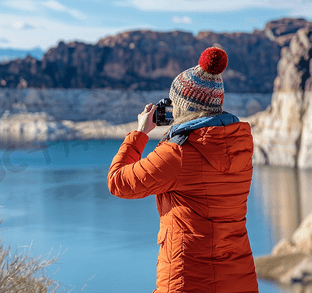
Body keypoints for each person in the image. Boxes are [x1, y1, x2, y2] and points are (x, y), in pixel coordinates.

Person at [107, 47, 259, 293]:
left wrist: (139, 133)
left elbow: (118, 183)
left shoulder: (178, 153)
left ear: (184, 106)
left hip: (188, 279)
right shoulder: (239, 145)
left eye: (174, 104)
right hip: (238, 278)